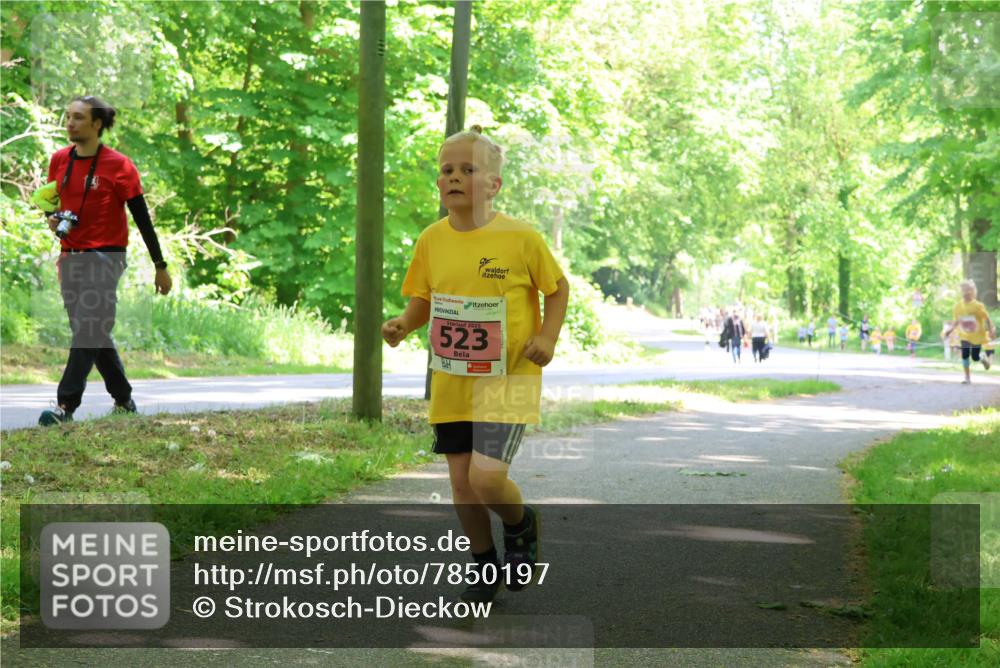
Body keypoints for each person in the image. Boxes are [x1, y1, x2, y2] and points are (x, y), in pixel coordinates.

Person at [382, 125, 569, 603]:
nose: (454, 178)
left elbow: (556, 288)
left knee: (487, 480)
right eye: (447, 170)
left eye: (468, 169)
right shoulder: (431, 240)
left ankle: (520, 522)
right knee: (463, 488)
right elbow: (424, 297)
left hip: (510, 376)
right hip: (453, 379)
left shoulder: (520, 238)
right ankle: (485, 564)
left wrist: (547, 336)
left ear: (493, 185)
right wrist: (405, 323)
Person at [38, 96, 172, 426]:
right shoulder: (59, 160)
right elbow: (50, 201)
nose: (70, 123)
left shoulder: (119, 165)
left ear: (97, 124)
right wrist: (52, 218)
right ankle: (124, 400)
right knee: (92, 332)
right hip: (70, 257)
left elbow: (142, 218)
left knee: (87, 329)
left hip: (106, 258)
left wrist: (160, 265)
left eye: (79, 117)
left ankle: (64, 407)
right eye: (68, 116)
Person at [943, 279, 996, 384]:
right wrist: (949, 331)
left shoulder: (977, 306)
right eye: (963, 290)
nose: (965, 292)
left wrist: (991, 330)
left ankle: (982, 359)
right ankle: (967, 377)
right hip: (964, 335)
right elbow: (957, 320)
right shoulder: (957, 306)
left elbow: (986, 318)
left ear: (973, 291)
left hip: (977, 336)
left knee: (975, 357)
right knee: (965, 354)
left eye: (967, 290)